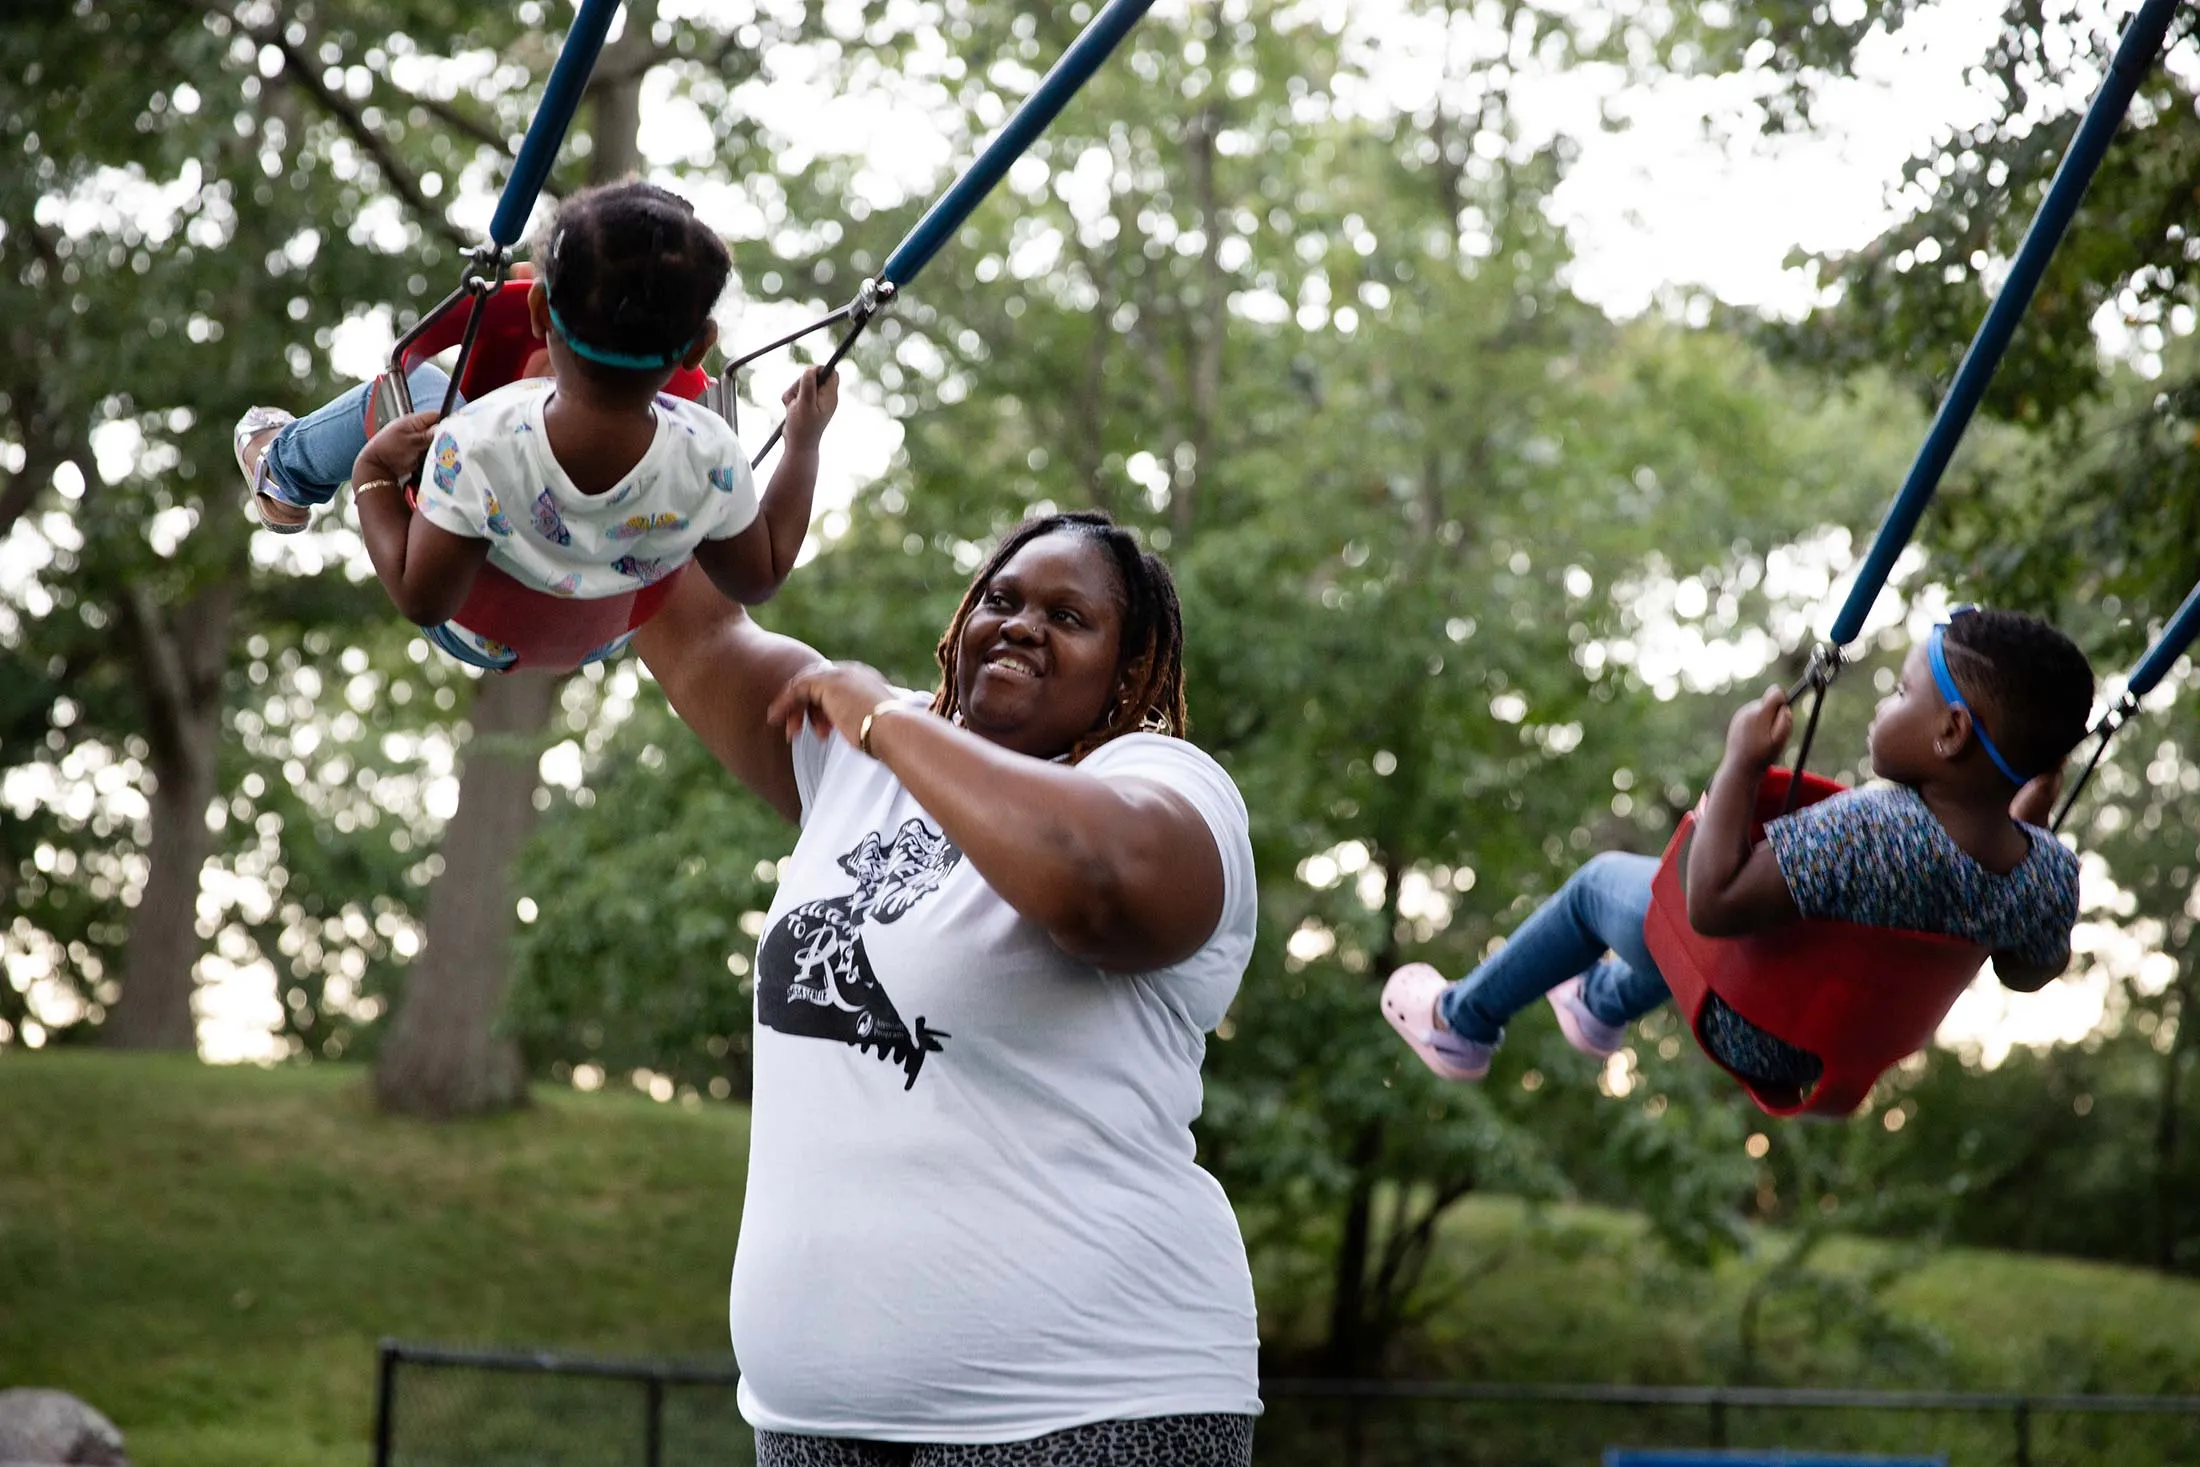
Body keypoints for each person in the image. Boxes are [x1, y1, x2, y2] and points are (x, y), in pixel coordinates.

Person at [636, 509, 1261, 1465]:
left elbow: (1093, 888)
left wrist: (884, 723)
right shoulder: (855, 759)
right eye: (1002, 599)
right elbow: (691, 621)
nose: (1020, 624)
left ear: (1131, 673)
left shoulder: (1163, 781)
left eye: (1068, 616)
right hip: (811, 1423)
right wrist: (555, 422)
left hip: (1089, 1407)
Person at [1383, 607, 2096, 1093]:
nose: (1883, 705)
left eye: (1900, 691)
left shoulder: (1866, 830)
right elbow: (2027, 969)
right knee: (1731, 929)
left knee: (1608, 885)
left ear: (1950, 733)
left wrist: (1739, 764)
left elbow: (1713, 900)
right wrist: (2029, 828)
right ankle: (1602, 1002)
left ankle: (1462, 1020)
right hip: (1831, 1051)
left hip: (1746, 1012)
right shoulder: (2049, 873)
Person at [230, 179, 838, 670]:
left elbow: (422, 598)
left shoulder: (472, 445)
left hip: (478, 630)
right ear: (698, 347)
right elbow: (762, 574)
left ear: (539, 309)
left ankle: (284, 472)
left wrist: (373, 474)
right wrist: (802, 444)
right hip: (599, 632)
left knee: (419, 390)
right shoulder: (711, 456)